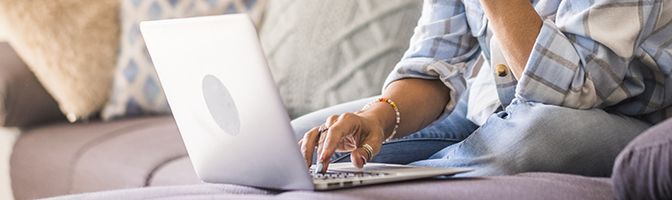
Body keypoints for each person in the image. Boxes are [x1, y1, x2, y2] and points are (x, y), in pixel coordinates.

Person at [295, 0, 672, 176]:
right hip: (490, 107)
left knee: (532, 134)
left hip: (622, 120)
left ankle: (400, 182)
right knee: (294, 143)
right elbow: (434, 61)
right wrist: (376, 117)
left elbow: (568, 92)